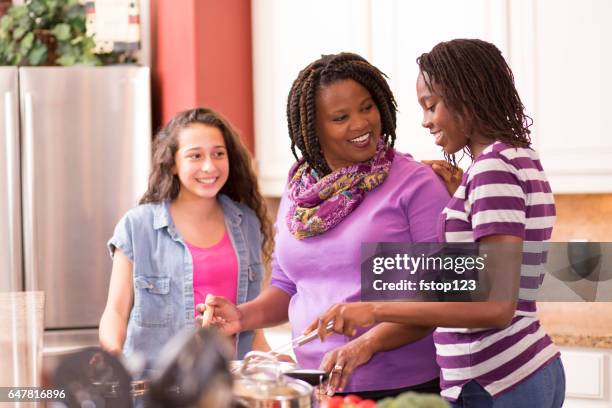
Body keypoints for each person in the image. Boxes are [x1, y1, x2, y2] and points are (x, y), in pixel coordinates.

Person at [308, 39, 565, 407]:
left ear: (467, 97)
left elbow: (495, 306)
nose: (426, 121)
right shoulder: (516, 158)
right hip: (518, 373)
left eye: (432, 106)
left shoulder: (493, 169)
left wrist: (375, 308)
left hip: (496, 379)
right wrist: (464, 192)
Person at [201, 52, 450, 399]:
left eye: (367, 107)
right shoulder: (300, 194)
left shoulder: (415, 184)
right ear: (313, 129)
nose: (361, 124)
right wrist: (241, 316)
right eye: (340, 117)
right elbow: (288, 286)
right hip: (316, 386)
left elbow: (442, 295)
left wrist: (365, 345)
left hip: (401, 389)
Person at [99, 107, 273, 373]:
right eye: (195, 156)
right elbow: (116, 312)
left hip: (231, 388)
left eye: (218, 154)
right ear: (173, 164)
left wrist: (276, 365)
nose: (209, 166)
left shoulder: (247, 222)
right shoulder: (138, 226)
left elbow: (252, 326)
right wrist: (114, 359)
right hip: (155, 388)